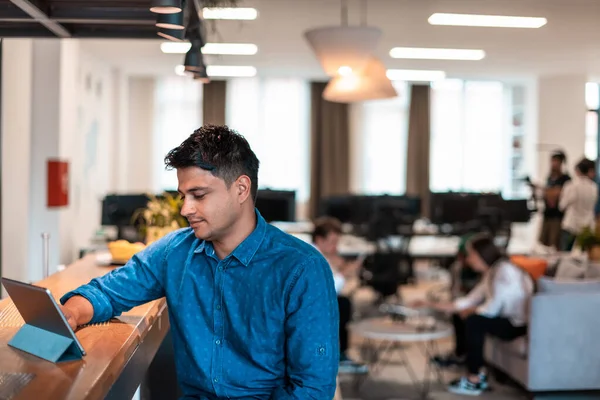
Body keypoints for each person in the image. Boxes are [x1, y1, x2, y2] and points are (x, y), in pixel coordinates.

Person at [59, 125, 339, 399]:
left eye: (199, 195)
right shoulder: (174, 252)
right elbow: (106, 292)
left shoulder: (302, 268)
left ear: (241, 189)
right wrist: (71, 313)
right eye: (183, 196)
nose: (185, 209)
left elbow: (312, 390)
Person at [415, 234, 533, 396]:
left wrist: (469, 312)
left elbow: (491, 309)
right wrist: (429, 304)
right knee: (462, 314)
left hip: (516, 324)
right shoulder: (492, 272)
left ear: (481, 255)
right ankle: (461, 356)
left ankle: (474, 380)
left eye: (471, 255)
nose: (468, 259)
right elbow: (467, 301)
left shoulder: (504, 271)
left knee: (474, 322)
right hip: (505, 318)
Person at [312, 216, 367, 374]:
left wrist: (338, 264)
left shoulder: (318, 252)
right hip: (308, 304)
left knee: (343, 302)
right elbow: (327, 290)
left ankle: (340, 353)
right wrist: (344, 273)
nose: (335, 246)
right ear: (320, 240)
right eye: (332, 241)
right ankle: (339, 355)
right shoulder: (313, 258)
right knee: (342, 304)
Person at [430, 233, 482, 368]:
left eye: (464, 256)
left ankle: (466, 358)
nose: (461, 259)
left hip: (479, 305)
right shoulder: (457, 268)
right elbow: (455, 291)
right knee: (457, 314)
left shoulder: (483, 270)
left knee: (470, 318)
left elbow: (485, 297)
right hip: (465, 301)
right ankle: (460, 354)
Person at [559, 157, 598, 251]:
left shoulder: (571, 185)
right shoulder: (594, 187)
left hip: (571, 224)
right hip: (587, 226)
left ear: (577, 170)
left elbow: (562, 206)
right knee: (585, 256)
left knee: (565, 254)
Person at [539, 150, 571, 249]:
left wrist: (550, 192)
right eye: (552, 161)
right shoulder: (549, 178)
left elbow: (560, 194)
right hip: (547, 215)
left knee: (555, 244)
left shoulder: (565, 179)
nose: (553, 164)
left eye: (556, 161)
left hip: (558, 217)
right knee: (543, 244)